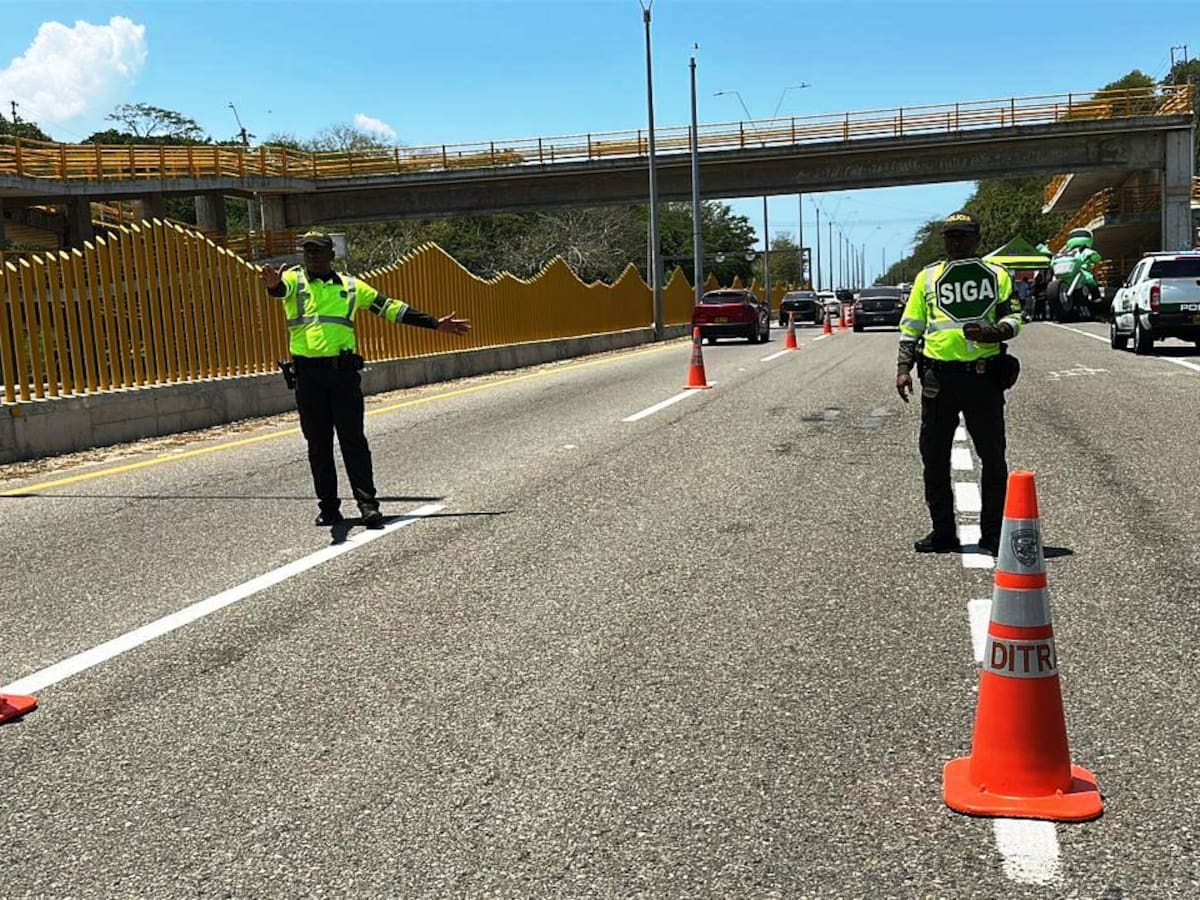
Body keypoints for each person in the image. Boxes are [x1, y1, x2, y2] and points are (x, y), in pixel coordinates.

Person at [259, 231, 471, 527]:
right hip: (308, 376)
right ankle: (328, 508)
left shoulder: (351, 287)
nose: (312, 256)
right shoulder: (294, 280)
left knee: (353, 440)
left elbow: (390, 308)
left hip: (343, 375)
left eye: (318, 251)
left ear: (332, 255)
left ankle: (368, 505)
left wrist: (434, 324)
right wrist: (273, 285)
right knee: (318, 444)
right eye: (307, 251)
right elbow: (280, 289)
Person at [895, 212, 1023, 556]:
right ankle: (943, 532)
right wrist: (903, 368)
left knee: (993, 458)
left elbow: (1015, 319)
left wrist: (991, 333)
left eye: (963, 235)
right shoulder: (928, 277)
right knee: (933, 458)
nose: (956, 242)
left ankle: (992, 534)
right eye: (951, 236)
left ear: (977, 239)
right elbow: (911, 327)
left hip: (983, 379)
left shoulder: (996, 275)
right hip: (938, 380)